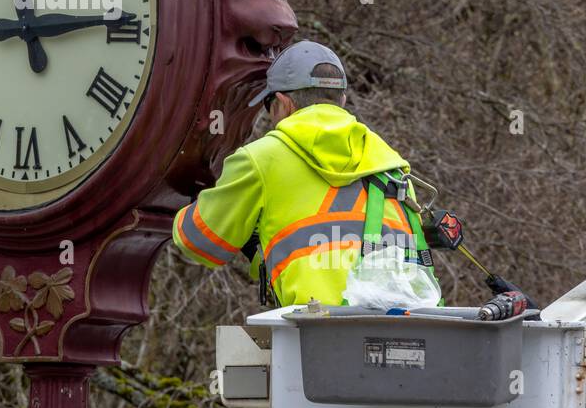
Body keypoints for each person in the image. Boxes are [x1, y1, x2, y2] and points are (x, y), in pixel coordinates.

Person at [172, 40, 438, 307]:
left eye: (268, 107)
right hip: (402, 333)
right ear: (342, 101)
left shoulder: (260, 159)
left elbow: (200, 242)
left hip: (314, 336)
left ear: (283, 103)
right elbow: (332, 248)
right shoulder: (391, 165)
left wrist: (178, 188)